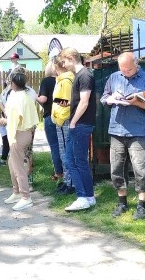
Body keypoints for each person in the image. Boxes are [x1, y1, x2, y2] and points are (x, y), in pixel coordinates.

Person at [101, 52, 145, 220]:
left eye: (128, 69)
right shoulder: (114, 77)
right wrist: (110, 99)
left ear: (137, 65)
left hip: (138, 130)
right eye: (122, 69)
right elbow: (104, 97)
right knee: (117, 168)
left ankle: (142, 206)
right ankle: (122, 203)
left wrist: (137, 102)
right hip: (116, 129)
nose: (125, 72)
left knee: (141, 168)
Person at [58, 47, 97, 212]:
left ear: (71, 58)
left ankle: (82, 196)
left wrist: (72, 122)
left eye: (64, 61)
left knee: (75, 161)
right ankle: (89, 196)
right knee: (75, 161)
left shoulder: (84, 75)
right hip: (79, 123)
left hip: (80, 125)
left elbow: (84, 102)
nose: (64, 65)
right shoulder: (80, 76)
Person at [1, 69, 39, 211]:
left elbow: (14, 119)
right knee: (12, 164)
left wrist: (5, 120)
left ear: (13, 83)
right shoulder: (26, 95)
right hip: (25, 132)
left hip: (18, 133)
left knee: (18, 167)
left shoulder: (17, 98)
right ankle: (16, 191)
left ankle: (25, 196)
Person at [51, 53, 75, 195]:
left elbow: (67, 103)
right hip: (62, 120)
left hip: (64, 121)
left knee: (66, 153)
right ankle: (67, 180)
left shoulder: (66, 81)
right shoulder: (62, 80)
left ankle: (70, 183)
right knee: (63, 152)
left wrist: (59, 116)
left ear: (56, 66)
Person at [38, 62, 62, 184]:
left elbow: (43, 99)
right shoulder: (62, 80)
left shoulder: (46, 81)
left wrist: (35, 97)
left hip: (49, 115)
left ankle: (58, 172)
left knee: (54, 146)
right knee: (63, 145)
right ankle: (67, 173)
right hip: (62, 115)